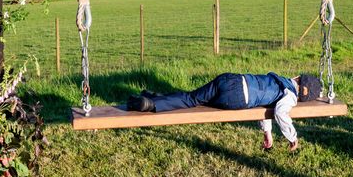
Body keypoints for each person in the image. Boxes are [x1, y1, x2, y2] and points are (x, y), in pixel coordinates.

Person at [127, 72, 322, 152]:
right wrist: (291, 136)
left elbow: (266, 108)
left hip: (231, 79)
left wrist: (267, 132)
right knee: (193, 101)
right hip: (236, 98)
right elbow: (279, 112)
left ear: (297, 78)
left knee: (192, 98)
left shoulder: (280, 79)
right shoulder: (289, 97)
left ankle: (151, 100)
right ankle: (151, 102)